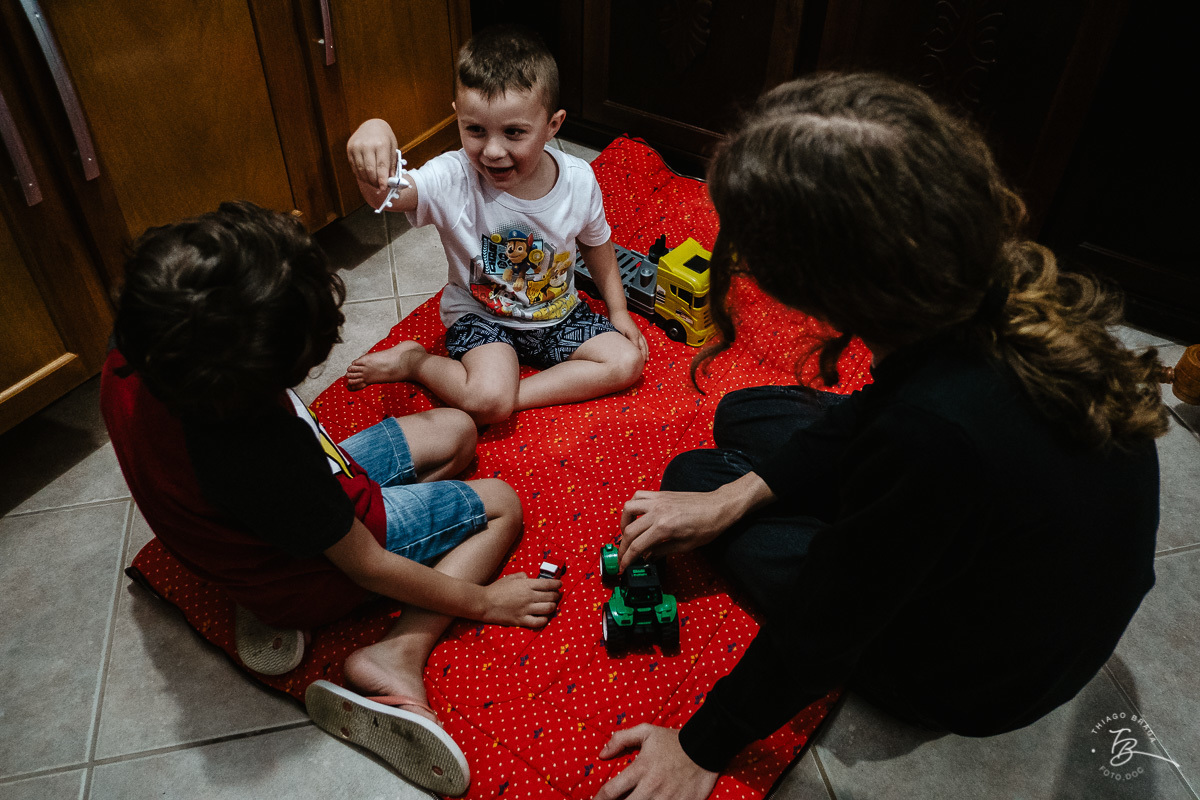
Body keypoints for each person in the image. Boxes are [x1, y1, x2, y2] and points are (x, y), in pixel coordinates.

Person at [594, 73, 1169, 800]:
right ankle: (743, 491)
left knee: (699, 475)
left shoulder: (932, 431)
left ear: (827, 288)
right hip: (1014, 551)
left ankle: (747, 501)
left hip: (984, 673)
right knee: (742, 427)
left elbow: (829, 621)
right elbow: (880, 414)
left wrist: (703, 745)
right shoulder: (989, 287)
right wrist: (740, 495)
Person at [100, 202, 561, 796]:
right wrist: (484, 602)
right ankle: (396, 654)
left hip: (247, 528)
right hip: (310, 567)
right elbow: (367, 563)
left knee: (458, 432)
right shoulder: (264, 453)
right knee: (500, 503)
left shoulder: (136, 343)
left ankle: (255, 590)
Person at [344, 25, 647, 425]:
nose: (492, 150)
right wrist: (375, 130)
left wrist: (618, 309)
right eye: (474, 130)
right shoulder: (453, 176)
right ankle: (415, 361)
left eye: (514, 132)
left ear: (553, 125)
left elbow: (597, 243)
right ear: (457, 115)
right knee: (488, 400)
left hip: (557, 315)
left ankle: (509, 395)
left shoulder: (578, 180)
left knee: (626, 362)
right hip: (481, 315)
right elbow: (389, 195)